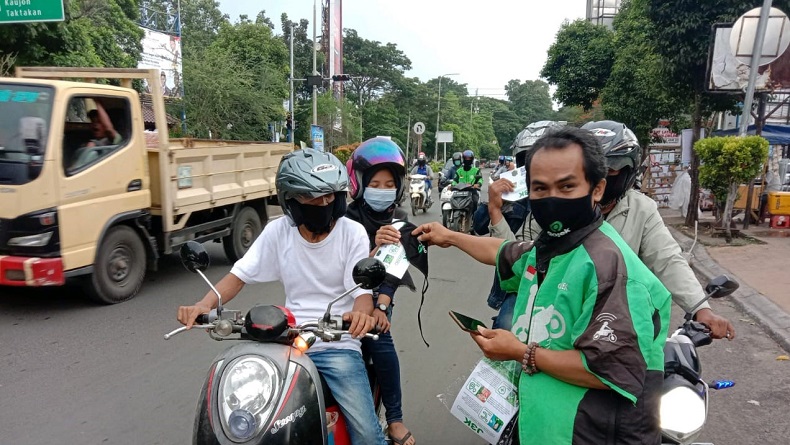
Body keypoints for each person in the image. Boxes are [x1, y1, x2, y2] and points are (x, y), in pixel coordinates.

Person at [413, 127, 671, 444]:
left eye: (567, 186)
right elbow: (504, 252)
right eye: (540, 188)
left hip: (591, 434)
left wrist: (520, 352)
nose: (552, 198)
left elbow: (608, 370)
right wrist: (449, 237)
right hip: (544, 427)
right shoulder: (553, 248)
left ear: (597, 189)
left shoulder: (611, 269)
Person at [176, 148, 387, 445]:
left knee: (367, 434)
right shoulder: (278, 232)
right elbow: (239, 275)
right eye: (312, 197)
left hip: (336, 343)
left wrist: (361, 315)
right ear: (291, 200)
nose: (323, 204)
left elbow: (361, 292)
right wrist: (203, 304)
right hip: (286, 340)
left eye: (329, 196)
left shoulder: (352, 232)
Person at [487, 120, 736, 340]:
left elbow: (667, 259)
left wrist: (700, 308)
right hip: (555, 310)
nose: (603, 177)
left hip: (617, 317)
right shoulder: (553, 207)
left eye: (612, 169)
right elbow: (517, 256)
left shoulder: (642, 209)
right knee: (506, 329)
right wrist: (495, 214)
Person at [345, 137, 416, 445]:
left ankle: (395, 419)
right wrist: (373, 247)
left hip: (379, 295)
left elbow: (393, 270)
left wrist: (382, 307)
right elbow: (340, 265)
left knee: (380, 343)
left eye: (389, 184)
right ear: (360, 184)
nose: (382, 189)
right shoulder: (344, 219)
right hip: (342, 291)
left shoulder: (401, 222)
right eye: (375, 183)